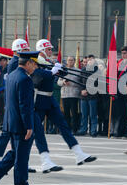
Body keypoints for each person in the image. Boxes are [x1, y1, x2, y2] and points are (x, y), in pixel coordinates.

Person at [0, 51, 41, 185]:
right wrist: (29, 126)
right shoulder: (25, 79)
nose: (35, 67)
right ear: (27, 63)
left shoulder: (12, 75)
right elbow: (24, 105)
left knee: (16, 153)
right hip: (21, 124)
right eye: (33, 64)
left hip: (11, 121)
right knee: (22, 157)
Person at [33, 39, 97, 167]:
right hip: (39, 100)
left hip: (50, 99)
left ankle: (78, 153)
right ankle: (44, 161)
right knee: (37, 131)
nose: (51, 51)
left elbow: (63, 73)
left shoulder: (47, 62)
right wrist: (51, 71)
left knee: (63, 125)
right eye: (49, 49)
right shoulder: (36, 62)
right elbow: (37, 78)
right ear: (42, 50)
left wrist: (59, 69)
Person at [110, 46, 127, 139]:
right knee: (120, 112)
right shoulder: (119, 63)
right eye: (122, 53)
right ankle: (119, 131)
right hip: (119, 90)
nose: (123, 55)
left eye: (125, 53)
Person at [76, 55, 99, 137]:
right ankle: (83, 129)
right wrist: (82, 90)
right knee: (84, 114)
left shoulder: (96, 71)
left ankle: (93, 130)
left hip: (92, 95)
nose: (89, 62)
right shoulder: (83, 70)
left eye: (91, 60)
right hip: (83, 95)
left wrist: (88, 91)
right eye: (88, 60)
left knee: (93, 114)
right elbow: (80, 81)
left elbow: (97, 84)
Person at [58, 56, 81, 134]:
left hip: (74, 94)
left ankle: (74, 129)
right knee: (66, 113)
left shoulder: (78, 71)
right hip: (65, 94)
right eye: (68, 60)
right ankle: (66, 129)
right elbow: (58, 82)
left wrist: (72, 83)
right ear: (66, 61)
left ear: (74, 61)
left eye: (71, 60)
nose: (70, 62)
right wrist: (63, 82)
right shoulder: (63, 70)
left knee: (74, 113)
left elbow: (80, 83)